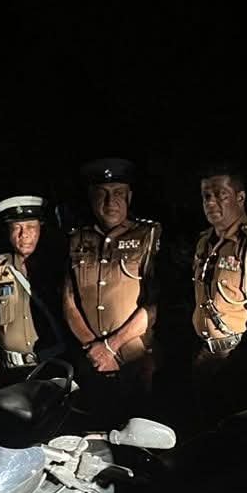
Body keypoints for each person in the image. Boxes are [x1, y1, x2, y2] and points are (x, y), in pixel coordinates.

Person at [62, 158, 161, 417]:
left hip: (134, 359)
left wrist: (110, 347)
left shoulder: (148, 235)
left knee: (135, 427)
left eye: (118, 193)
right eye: (102, 194)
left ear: (129, 196)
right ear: (90, 197)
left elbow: (154, 303)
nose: (110, 202)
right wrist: (94, 349)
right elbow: (69, 300)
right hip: (91, 360)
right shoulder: (78, 238)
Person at [191, 161, 247, 417]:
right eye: (206, 196)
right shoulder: (205, 242)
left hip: (235, 360)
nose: (211, 203)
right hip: (205, 355)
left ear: (240, 198)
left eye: (220, 195)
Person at [0, 193, 65, 386]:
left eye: (30, 227)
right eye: (17, 228)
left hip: (52, 367)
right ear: (8, 231)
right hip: (10, 372)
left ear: (41, 228)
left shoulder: (58, 266)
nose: (24, 234)